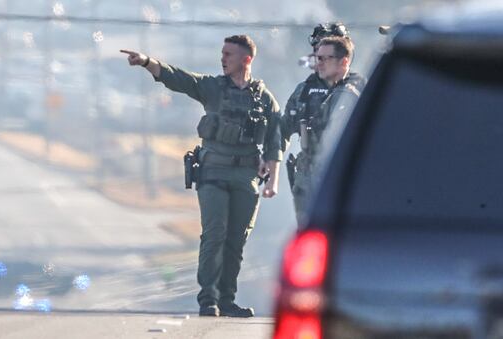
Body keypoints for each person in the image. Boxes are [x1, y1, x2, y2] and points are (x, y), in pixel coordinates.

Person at [121, 35, 282, 318]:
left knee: (236, 240)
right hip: (213, 173)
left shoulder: (263, 97)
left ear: (247, 59)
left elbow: (276, 137)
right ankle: (208, 299)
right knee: (215, 233)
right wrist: (148, 62)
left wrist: (272, 175)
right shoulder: (213, 88)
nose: (223, 58)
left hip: (245, 177)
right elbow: (181, 79)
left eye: (229, 54)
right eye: (222, 53)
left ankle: (228, 300)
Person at [282, 31, 365, 224]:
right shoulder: (304, 90)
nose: (318, 62)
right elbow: (283, 128)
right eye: (317, 57)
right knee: (308, 233)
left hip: (342, 174)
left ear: (344, 61)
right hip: (307, 174)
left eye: (325, 58)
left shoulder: (359, 92)